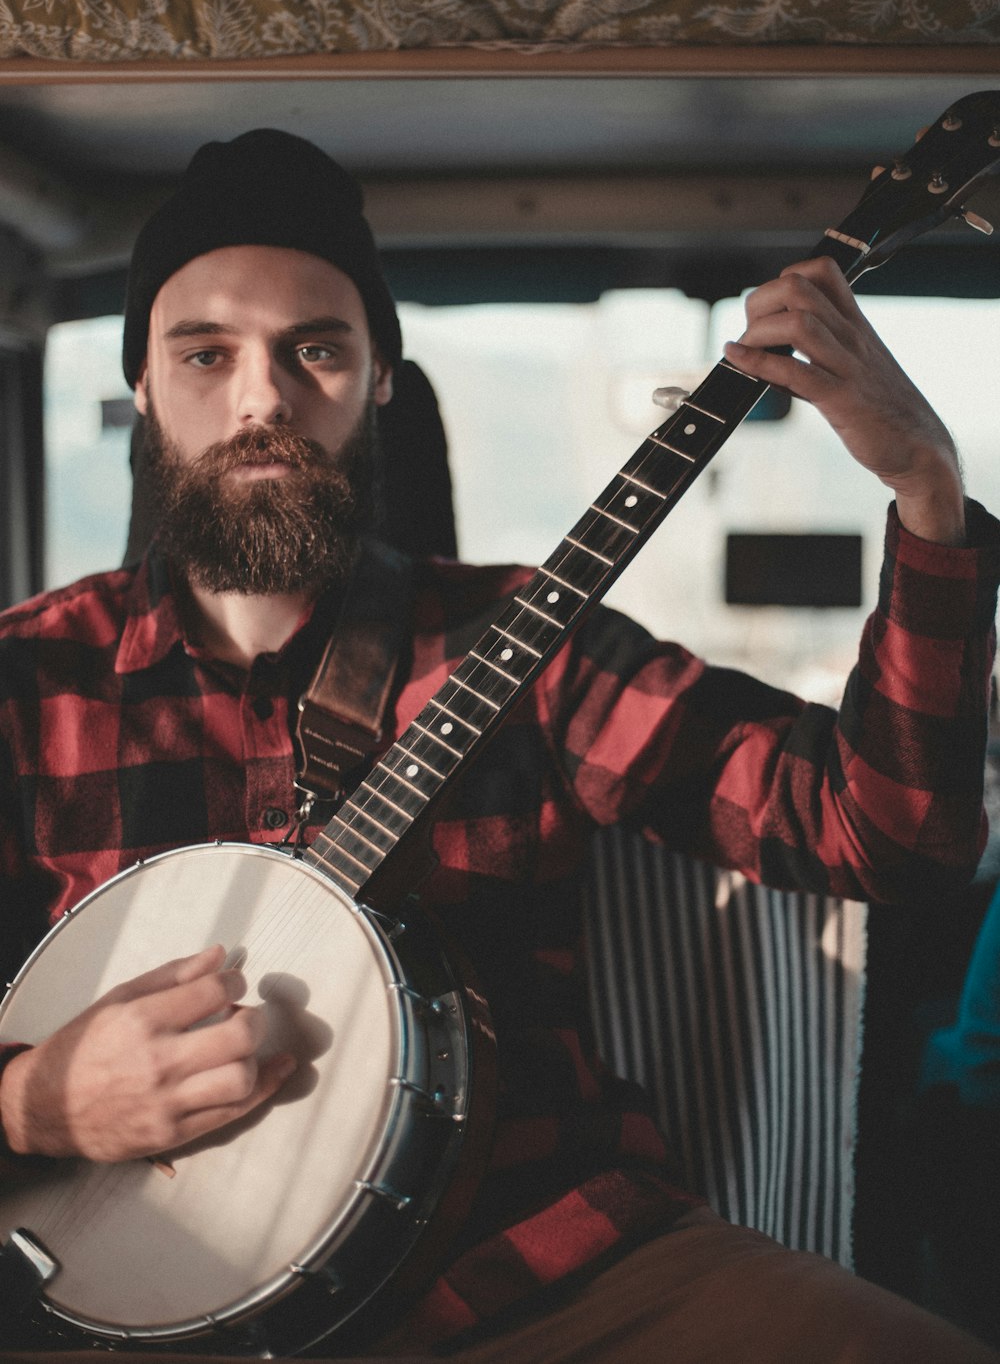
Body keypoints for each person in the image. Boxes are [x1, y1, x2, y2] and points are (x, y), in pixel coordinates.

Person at [0, 128, 997, 1363]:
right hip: (134, 1305)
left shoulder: (529, 638)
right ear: (144, 385)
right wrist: (31, 1101)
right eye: (205, 352)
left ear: (379, 382)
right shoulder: (22, 682)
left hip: (548, 1266)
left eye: (316, 347)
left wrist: (928, 493)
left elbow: (891, 835)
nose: (261, 396)